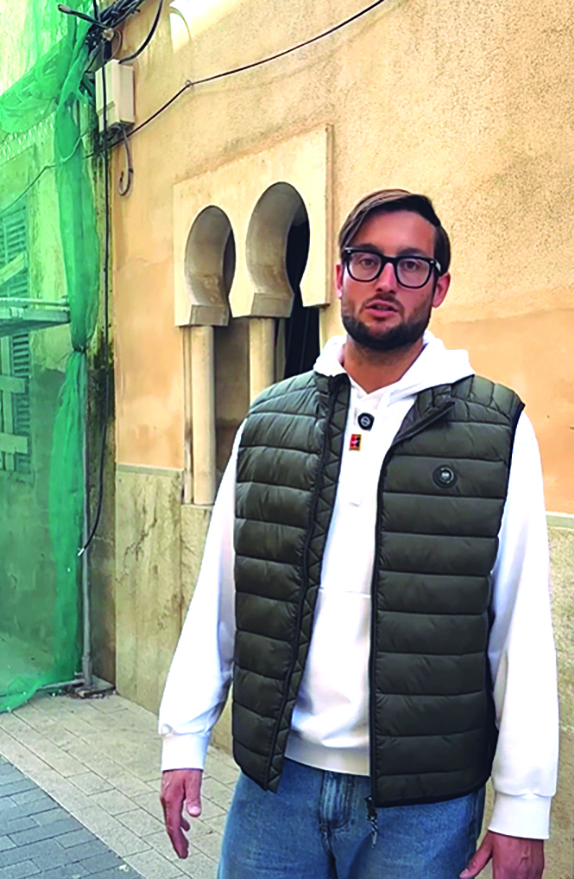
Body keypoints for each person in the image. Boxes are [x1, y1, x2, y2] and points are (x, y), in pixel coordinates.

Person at [158, 189, 559, 879]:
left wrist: (523, 805)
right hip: (277, 788)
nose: (386, 281)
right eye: (368, 260)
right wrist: (182, 737)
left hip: (423, 808)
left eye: (410, 265)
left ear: (439, 286)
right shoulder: (270, 420)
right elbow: (225, 596)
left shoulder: (496, 428)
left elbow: (520, 629)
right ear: (339, 274)